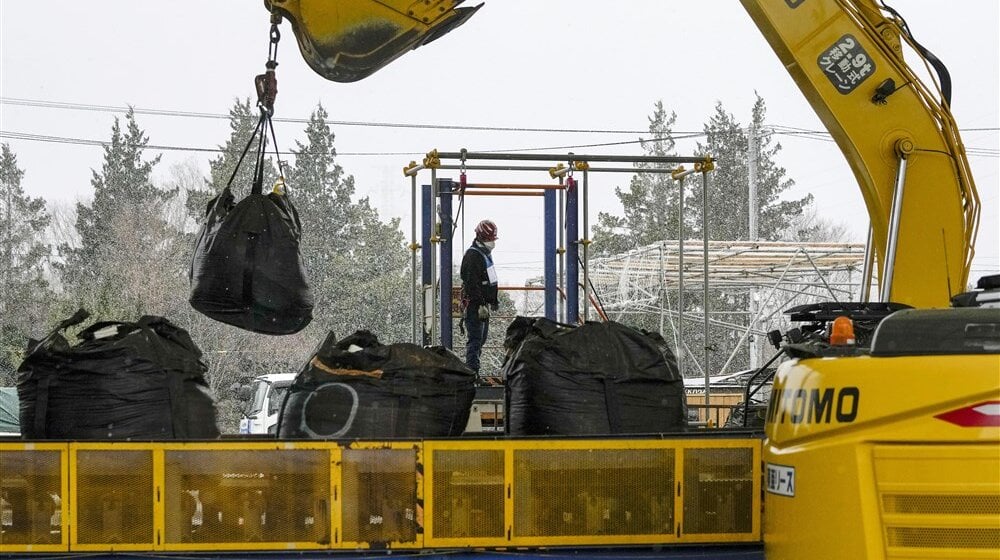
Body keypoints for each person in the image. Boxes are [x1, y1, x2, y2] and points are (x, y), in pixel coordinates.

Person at [460, 219, 499, 374]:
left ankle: (473, 371)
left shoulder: (484, 254)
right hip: (475, 305)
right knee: (475, 340)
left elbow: (489, 279)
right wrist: (480, 303)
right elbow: (471, 283)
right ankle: (472, 373)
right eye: (488, 239)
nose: (491, 242)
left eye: (492, 239)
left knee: (480, 340)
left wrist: (493, 301)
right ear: (480, 238)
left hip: (483, 305)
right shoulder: (473, 256)